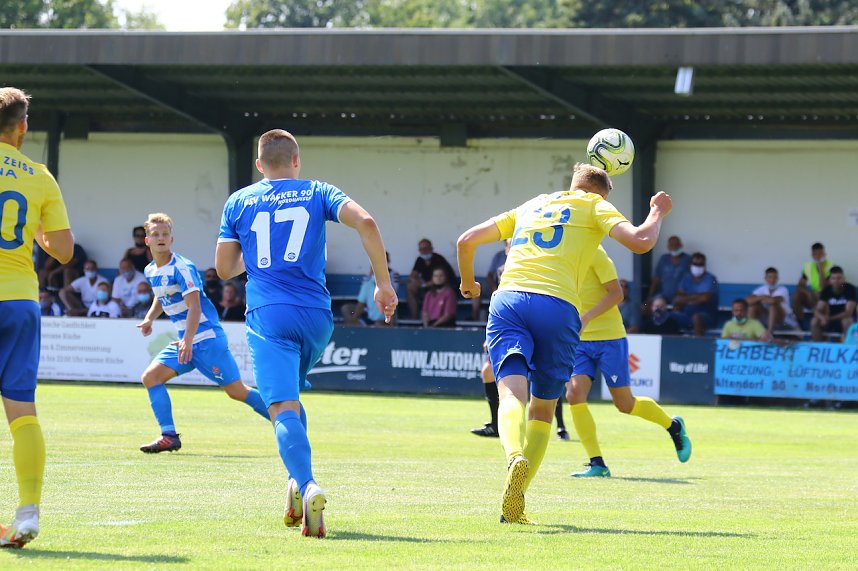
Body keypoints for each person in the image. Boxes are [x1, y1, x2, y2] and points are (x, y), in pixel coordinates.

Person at [457, 162, 672, 524]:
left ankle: (513, 457)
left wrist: (468, 283)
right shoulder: (594, 205)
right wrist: (656, 212)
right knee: (542, 411)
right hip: (558, 307)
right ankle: (518, 499)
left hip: (509, 299)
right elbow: (641, 241)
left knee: (510, 395)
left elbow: (466, 240)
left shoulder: (532, 205)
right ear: (600, 193)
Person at [216, 129, 397, 538]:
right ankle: (297, 484)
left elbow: (225, 269)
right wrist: (383, 284)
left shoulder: (240, 200)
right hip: (317, 317)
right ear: (296, 160)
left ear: (260, 165)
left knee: (280, 407)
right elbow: (366, 221)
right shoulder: (317, 191)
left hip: (269, 315)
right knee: (292, 402)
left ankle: (309, 482)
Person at [0, 86, 74, 548]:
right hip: (20, 300)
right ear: (23, 126)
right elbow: (63, 251)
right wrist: (41, 235)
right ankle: (27, 512)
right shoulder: (39, 175)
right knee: (22, 412)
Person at [136, 213, 270, 455]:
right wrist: (149, 319)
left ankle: (286, 418)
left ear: (172, 238)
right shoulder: (150, 270)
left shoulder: (182, 267)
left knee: (237, 392)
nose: (161, 238)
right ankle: (169, 436)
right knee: (151, 378)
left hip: (206, 339)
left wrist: (187, 340)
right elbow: (161, 295)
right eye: (155, 235)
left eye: (165, 234)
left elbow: (195, 306)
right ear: (147, 240)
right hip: (185, 340)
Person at [567, 246, 690, 478]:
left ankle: (673, 426)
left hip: (610, 339)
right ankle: (597, 463)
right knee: (574, 394)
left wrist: (586, 317)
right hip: (580, 340)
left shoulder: (596, 253)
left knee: (625, 404)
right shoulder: (562, 255)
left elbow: (616, 294)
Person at [406, 238, 455, 319]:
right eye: (421, 249)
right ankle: (414, 317)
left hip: (442, 287)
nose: (424, 251)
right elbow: (412, 275)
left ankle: (433, 320)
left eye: (426, 248)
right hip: (426, 287)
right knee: (410, 287)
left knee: (432, 291)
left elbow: (440, 279)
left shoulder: (439, 259)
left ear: (431, 249)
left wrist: (423, 284)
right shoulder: (420, 260)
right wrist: (415, 281)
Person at [673, 252, 719, 337]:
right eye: (695, 264)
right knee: (670, 315)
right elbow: (678, 298)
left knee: (697, 317)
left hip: (707, 314)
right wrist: (697, 297)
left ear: (705, 265)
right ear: (690, 264)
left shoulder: (711, 278)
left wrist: (687, 298)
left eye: (700, 264)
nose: (697, 266)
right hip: (687, 313)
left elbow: (705, 298)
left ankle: (697, 345)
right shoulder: (686, 278)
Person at [792, 242, 834, 327]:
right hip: (813, 295)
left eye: (820, 254)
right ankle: (800, 325)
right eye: (815, 254)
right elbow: (800, 285)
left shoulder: (831, 265)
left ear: (824, 254)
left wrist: (821, 268)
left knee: (820, 295)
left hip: (827, 296)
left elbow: (823, 287)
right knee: (796, 295)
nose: (818, 256)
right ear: (812, 255)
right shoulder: (808, 266)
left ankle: (822, 324)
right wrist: (808, 293)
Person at [811, 266, 856, 342]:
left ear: (844, 279)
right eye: (833, 278)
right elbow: (817, 309)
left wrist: (829, 318)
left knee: (846, 321)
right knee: (814, 321)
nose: (836, 281)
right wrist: (822, 317)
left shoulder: (849, 288)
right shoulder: (827, 290)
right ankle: (819, 347)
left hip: (845, 319)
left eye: (839, 278)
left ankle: (847, 347)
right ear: (830, 280)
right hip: (829, 319)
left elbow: (848, 312)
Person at [747, 267, 798, 333]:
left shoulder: (783, 289)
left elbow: (773, 301)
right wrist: (763, 296)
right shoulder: (762, 289)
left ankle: (770, 332)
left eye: (775, 277)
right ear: (765, 278)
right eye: (770, 277)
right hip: (766, 318)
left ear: (778, 278)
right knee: (753, 306)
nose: (772, 280)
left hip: (784, 320)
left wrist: (758, 299)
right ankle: (749, 331)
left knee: (773, 306)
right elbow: (748, 300)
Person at [355, 252, 398, 326]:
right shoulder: (368, 282)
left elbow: (393, 296)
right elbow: (362, 301)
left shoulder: (392, 277)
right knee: (346, 309)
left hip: (384, 313)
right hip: (367, 309)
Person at [647, 235, 691, 304]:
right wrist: (650, 295)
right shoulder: (664, 258)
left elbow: (690, 280)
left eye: (676, 245)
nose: (674, 247)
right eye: (671, 245)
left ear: (681, 245)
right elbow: (657, 278)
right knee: (647, 307)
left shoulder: (687, 259)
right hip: (663, 295)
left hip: (681, 296)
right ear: (668, 246)